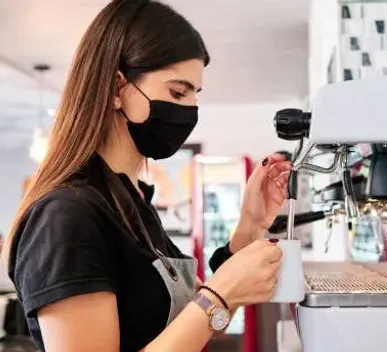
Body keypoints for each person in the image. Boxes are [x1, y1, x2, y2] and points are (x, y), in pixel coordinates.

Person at [2, 1, 292, 351]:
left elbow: (197, 323)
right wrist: (221, 295)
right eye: (176, 92)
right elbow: (209, 307)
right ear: (115, 88)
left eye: (194, 95)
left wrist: (249, 226)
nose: (190, 110)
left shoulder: (132, 200)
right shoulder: (67, 215)